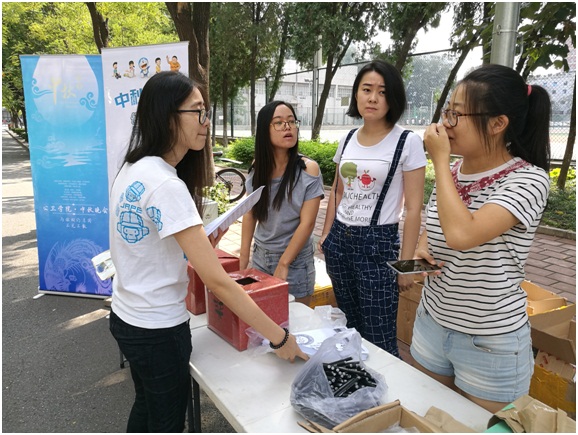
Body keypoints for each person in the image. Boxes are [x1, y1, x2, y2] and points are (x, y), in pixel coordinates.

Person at [109, 72, 308, 433]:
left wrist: (202, 244)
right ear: (168, 116)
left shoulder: (133, 168)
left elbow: (147, 247)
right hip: (158, 331)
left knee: (146, 406)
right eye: (198, 111)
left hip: (127, 317)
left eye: (206, 111)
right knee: (166, 422)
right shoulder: (166, 185)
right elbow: (218, 282)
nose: (206, 121)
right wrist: (279, 337)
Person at [411, 64, 551, 413]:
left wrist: (439, 162)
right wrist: (423, 247)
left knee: (482, 428)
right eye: (447, 112)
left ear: (497, 123)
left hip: (489, 340)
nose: (445, 124)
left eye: (456, 115)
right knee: (431, 420)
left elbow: (462, 234)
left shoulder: (529, 180)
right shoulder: (454, 171)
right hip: (432, 320)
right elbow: (437, 223)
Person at [318, 60, 426, 358]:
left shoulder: (407, 142)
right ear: (356, 94)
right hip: (340, 242)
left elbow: (413, 209)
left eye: (382, 91)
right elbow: (338, 191)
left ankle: (385, 386)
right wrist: (326, 234)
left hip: (378, 245)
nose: (373, 98)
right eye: (367, 89)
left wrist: (406, 266)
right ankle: (358, 382)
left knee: (379, 336)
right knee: (350, 327)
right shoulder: (347, 139)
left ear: (393, 98)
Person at [240, 101, 324, 306]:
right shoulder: (258, 167)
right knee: (262, 318)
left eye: (291, 121)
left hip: (295, 262)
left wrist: (284, 263)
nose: (288, 127)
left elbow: (307, 223)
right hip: (260, 256)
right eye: (279, 123)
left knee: (296, 318)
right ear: (264, 130)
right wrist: (243, 260)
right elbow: (250, 213)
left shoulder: (308, 169)